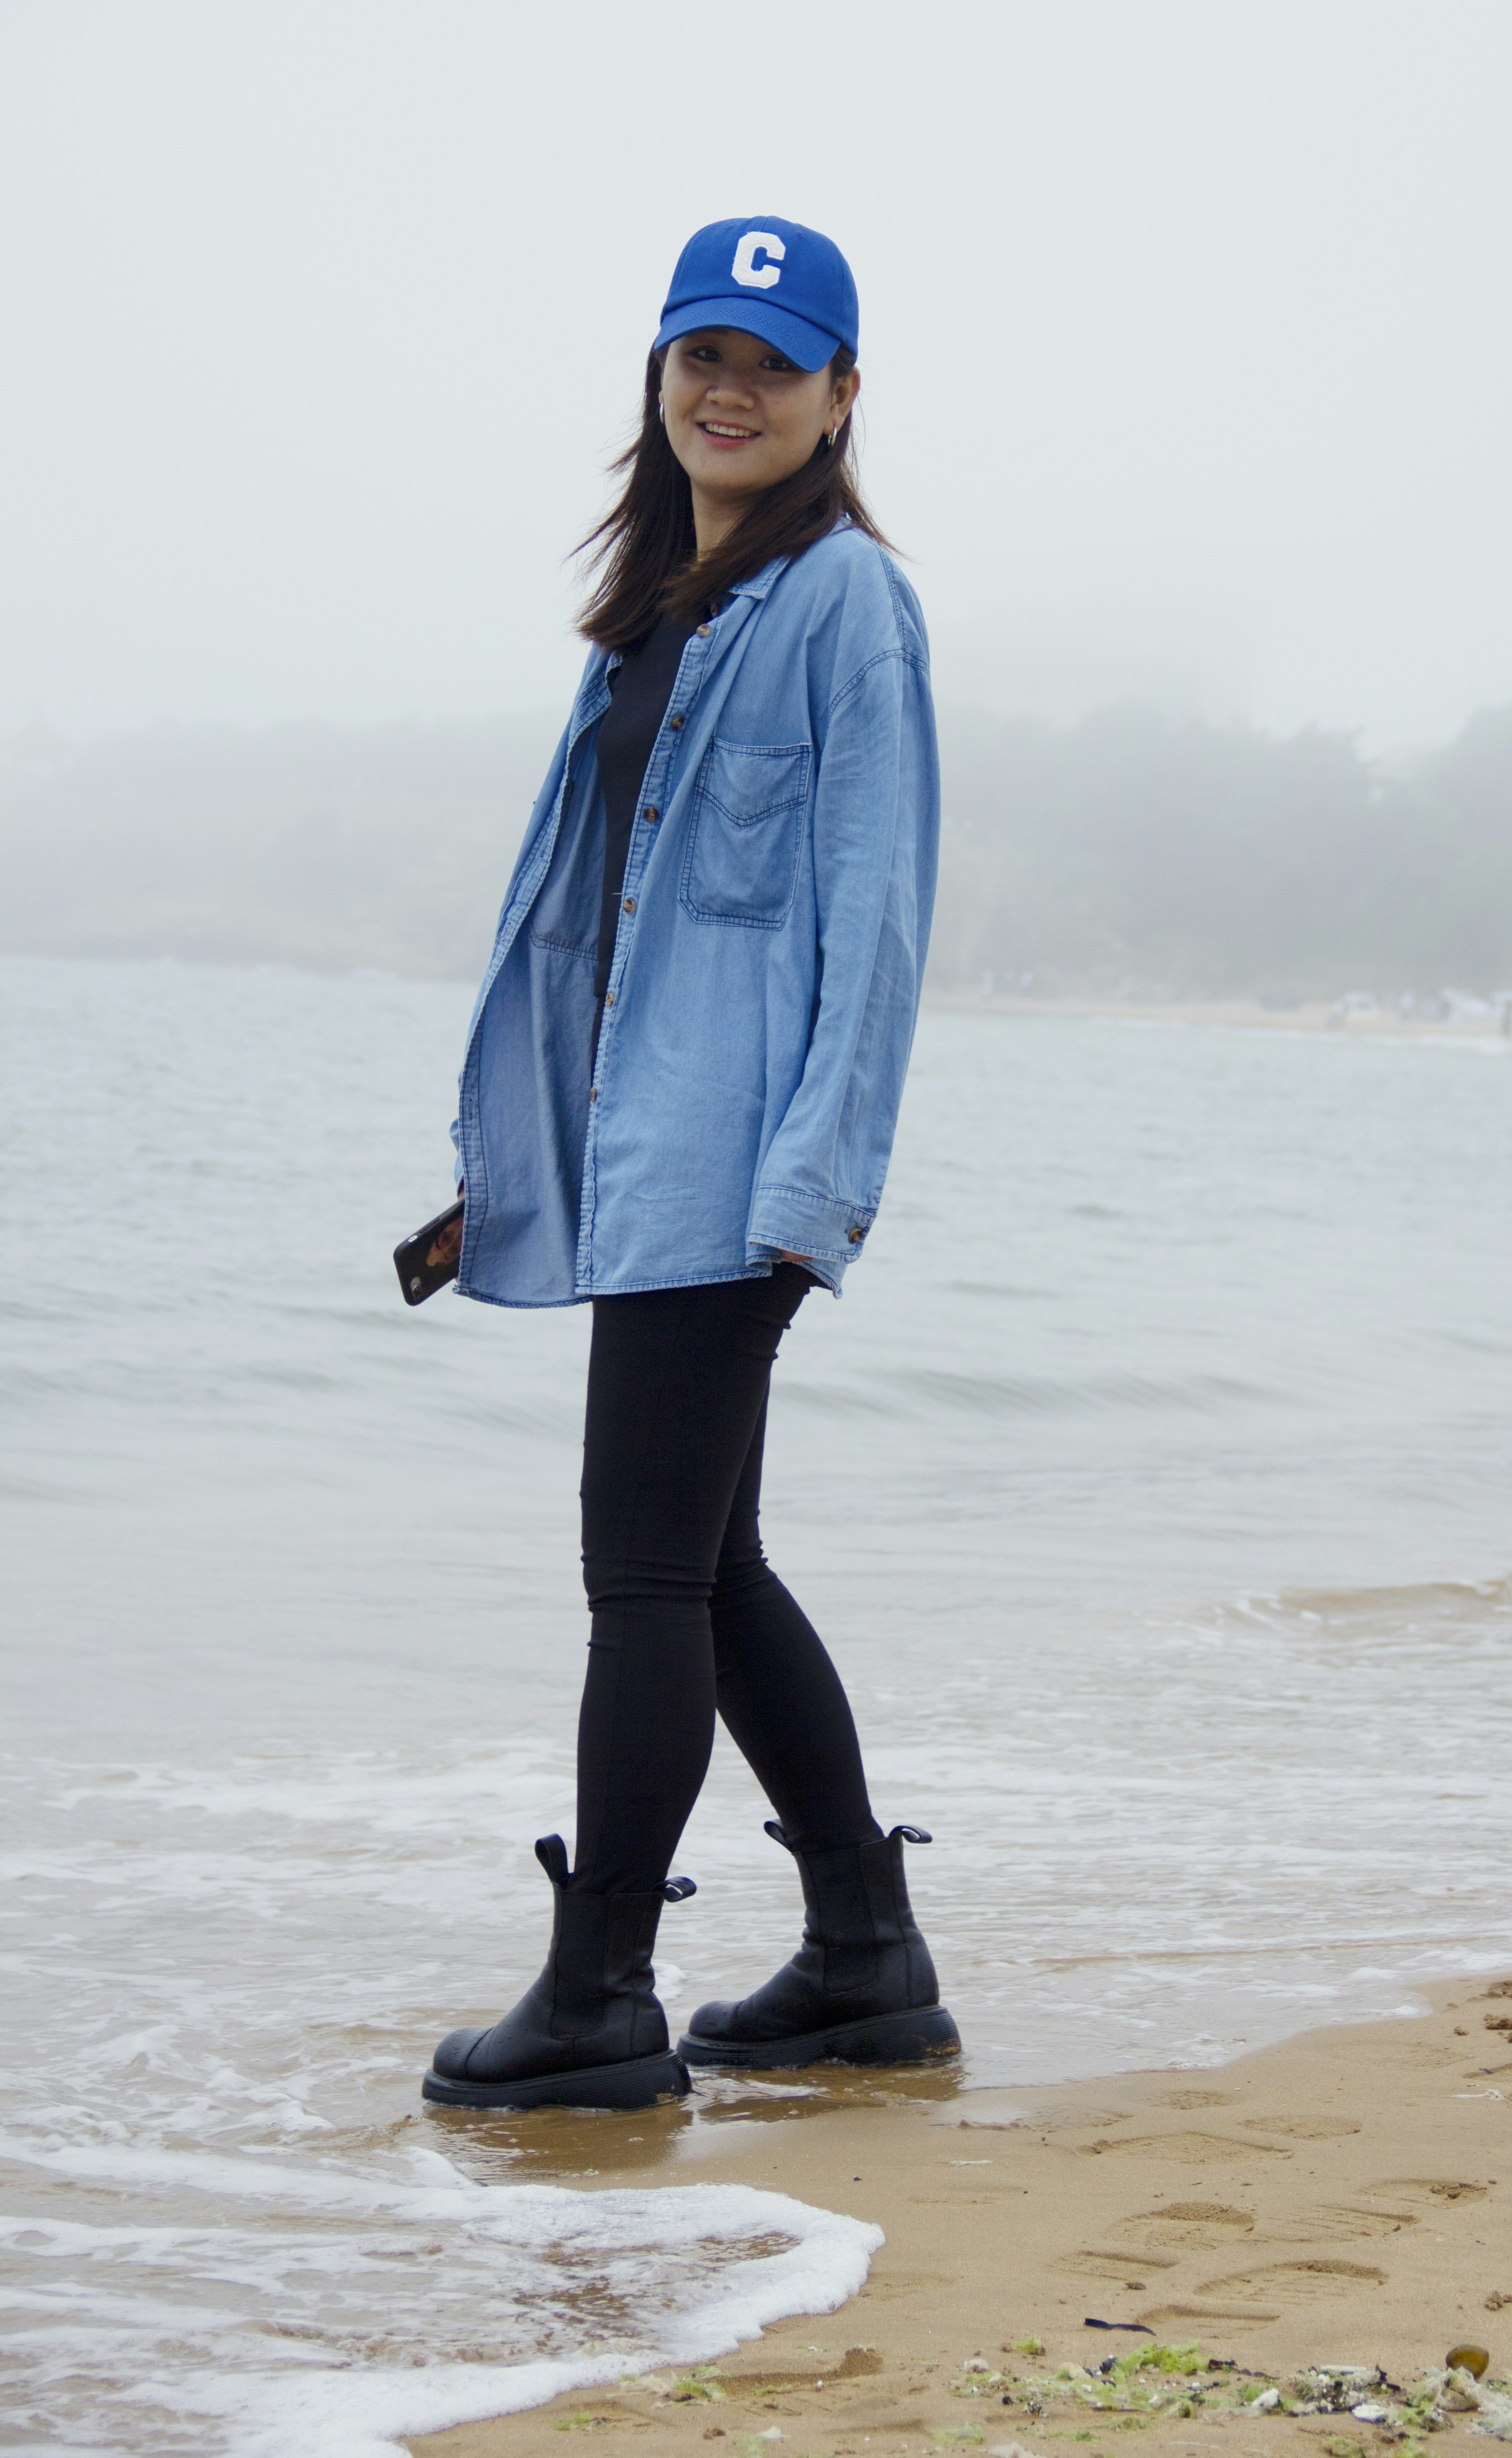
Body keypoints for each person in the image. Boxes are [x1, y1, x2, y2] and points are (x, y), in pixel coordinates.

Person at [421, 218, 957, 2112]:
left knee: (640, 1575)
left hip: (739, 1177)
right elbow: (594, 944)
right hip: (643, 1166)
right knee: (709, 1567)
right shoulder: (669, 606)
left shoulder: (844, 607)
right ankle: (863, 1957)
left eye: (773, 362)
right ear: (660, 379)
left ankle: (598, 1996)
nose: (730, 391)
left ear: (842, 395)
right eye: (700, 356)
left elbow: (872, 921)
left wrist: (815, 1193)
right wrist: (516, 1171)